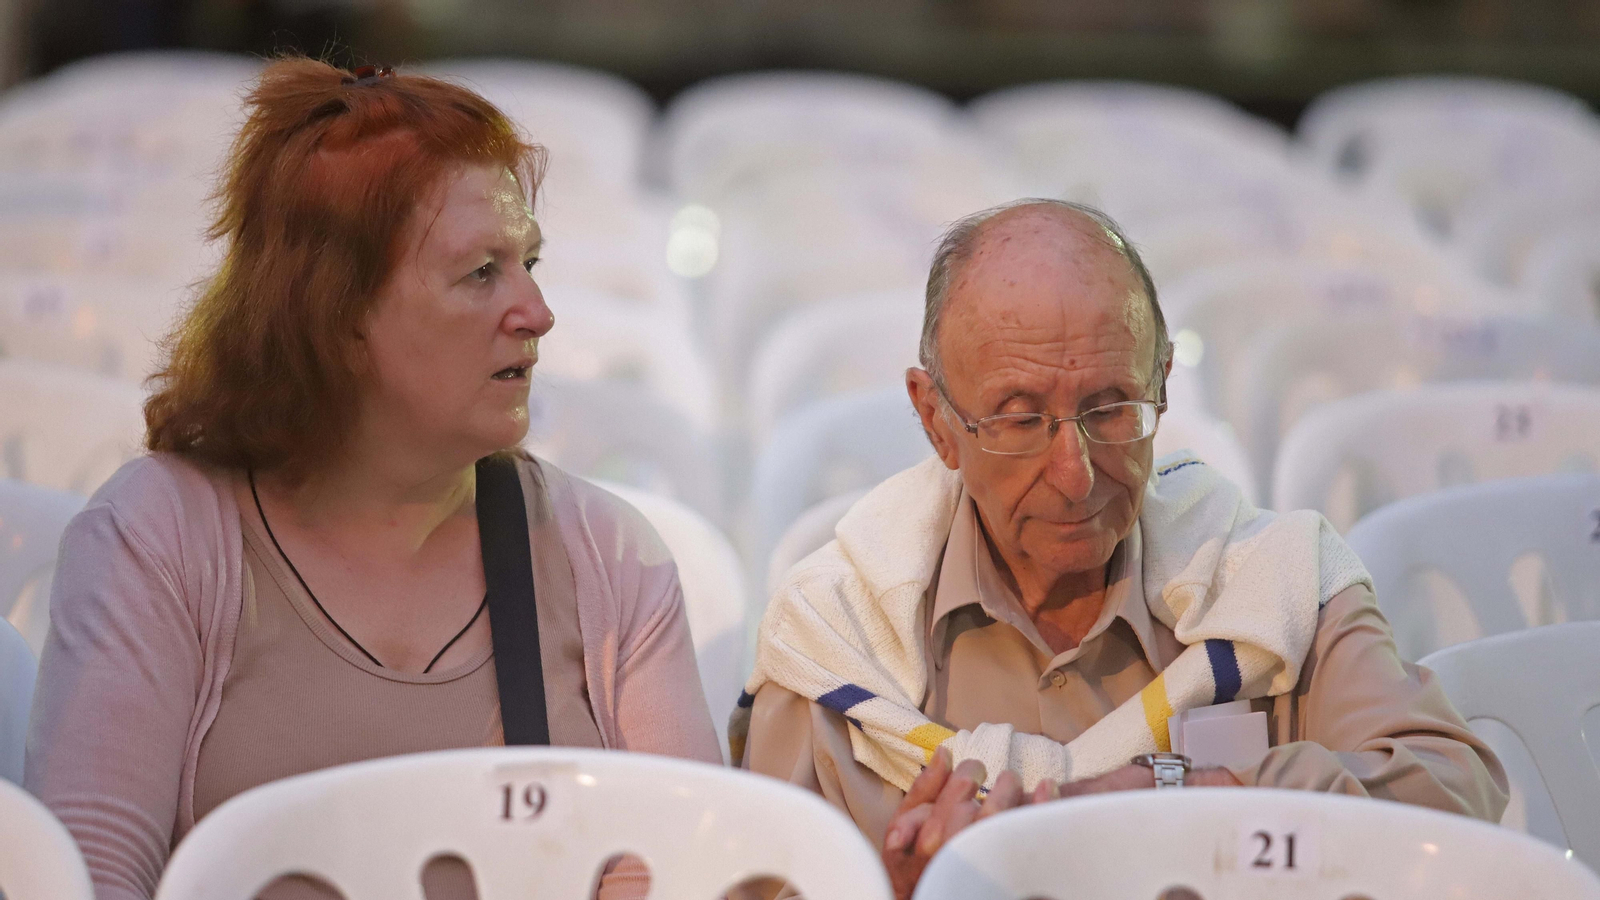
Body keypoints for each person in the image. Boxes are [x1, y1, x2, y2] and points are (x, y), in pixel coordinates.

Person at [25, 58, 720, 900]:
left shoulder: (606, 557)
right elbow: (88, 881)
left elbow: (690, 874)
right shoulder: (160, 540)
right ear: (338, 314)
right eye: (480, 273)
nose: (537, 312)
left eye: (529, 263)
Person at [732, 199, 1507, 899]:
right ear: (936, 421)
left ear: (1163, 386)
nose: (1075, 477)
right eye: (1018, 417)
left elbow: (1456, 796)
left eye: (1110, 409)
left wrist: (1188, 795)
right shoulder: (836, 644)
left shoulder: (1274, 582)